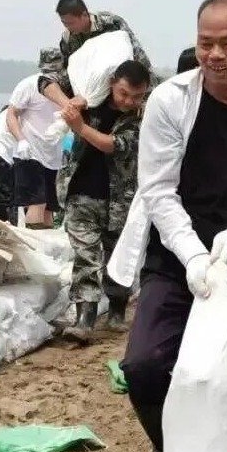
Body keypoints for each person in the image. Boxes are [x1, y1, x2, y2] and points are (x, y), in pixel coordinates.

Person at [105, 0, 227, 452]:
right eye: (206, 43)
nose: (216, 55)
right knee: (145, 366)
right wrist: (193, 257)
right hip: (176, 255)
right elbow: (158, 191)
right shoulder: (170, 100)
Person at [58, 59, 149, 344]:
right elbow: (45, 82)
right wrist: (72, 105)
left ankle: (117, 310)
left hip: (119, 201)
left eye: (137, 96)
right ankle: (84, 320)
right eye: (124, 93)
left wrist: (79, 127)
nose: (129, 101)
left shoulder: (141, 118)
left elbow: (114, 145)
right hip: (81, 194)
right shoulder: (90, 103)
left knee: (117, 257)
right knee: (85, 257)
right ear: (111, 84)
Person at [39, 0, 157, 112]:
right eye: (65, 23)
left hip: (117, 81)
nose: (68, 27)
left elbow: (136, 54)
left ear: (84, 15)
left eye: (71, 23)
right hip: (92, 91)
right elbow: (71, 69)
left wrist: (147, 99)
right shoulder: (68, 38)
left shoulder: (110, 23)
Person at [7, 48, 65, 229]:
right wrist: (21, 140)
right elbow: (11, 114)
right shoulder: (29, 85)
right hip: (30, 153)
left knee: (50, 207)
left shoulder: (65, 87)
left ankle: (46, 243)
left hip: (53, 156)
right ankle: (34, 239)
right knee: (37, 202)